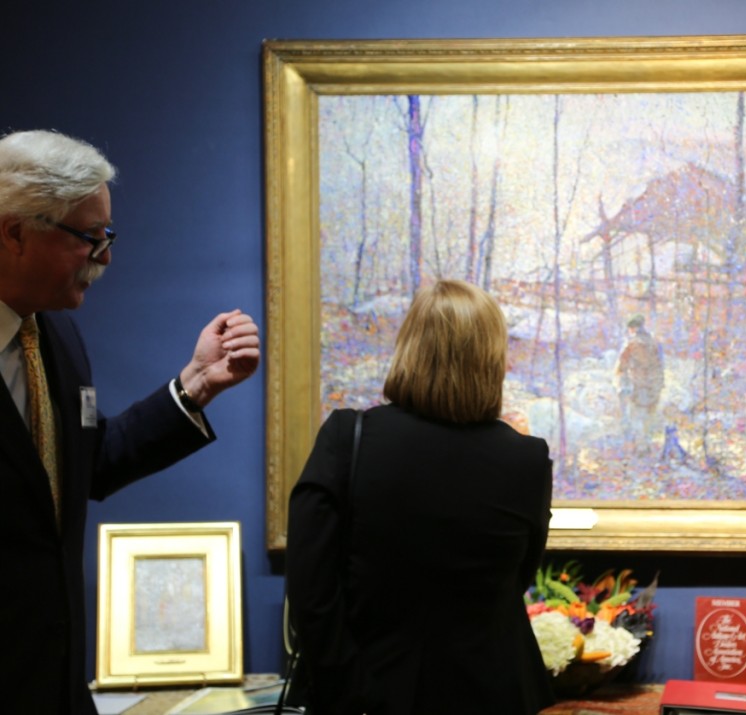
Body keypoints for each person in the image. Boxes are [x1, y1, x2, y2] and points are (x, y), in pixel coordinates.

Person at [0, 129, 260, 715]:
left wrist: (195, 385)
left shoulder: (56, 335)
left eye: (107, 236)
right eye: (90, 239)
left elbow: (87, 466)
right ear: (16, 232)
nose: (106, 258)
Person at [287, 278, 554, 714]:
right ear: (492, 359)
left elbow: (311, 593)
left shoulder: (346, 439)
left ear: (410, 346)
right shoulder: (526, 459)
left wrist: (348, 693)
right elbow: (517, 579)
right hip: (490, 694)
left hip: (368, 691)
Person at [614, 313, 664, 448]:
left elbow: (621, 366)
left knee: (636, 414)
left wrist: (620, 381)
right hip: (654, 385)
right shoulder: (655, 342)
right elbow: (660, 364)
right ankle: (647, 443)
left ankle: (642, 446)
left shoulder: (631, 344)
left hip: (639, 383)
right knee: (649, 415)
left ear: (633, 328)